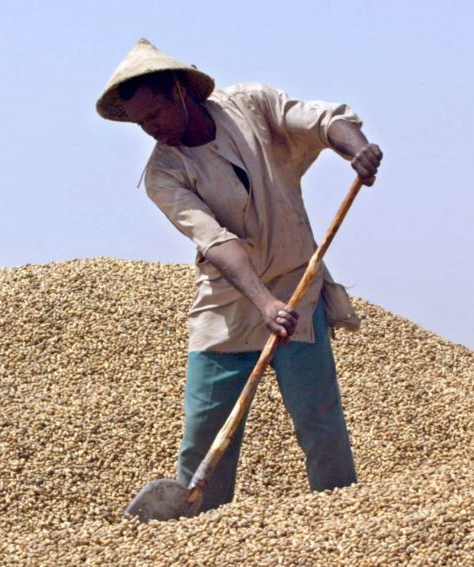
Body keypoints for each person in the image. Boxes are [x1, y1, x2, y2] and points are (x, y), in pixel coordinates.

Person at [96, 39, 383, 513]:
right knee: (206, 430)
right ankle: (201, 525)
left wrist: (357, 151)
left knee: (318, 416)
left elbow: (320, 120)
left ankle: (342, 514)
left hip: (296, 288)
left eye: (155, 115)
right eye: (141, 123)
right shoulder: (164, 174)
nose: (151, 130)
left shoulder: (250, 106)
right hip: (227, 304)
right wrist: (262, 302)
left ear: (179, 93)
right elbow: (216, 241)